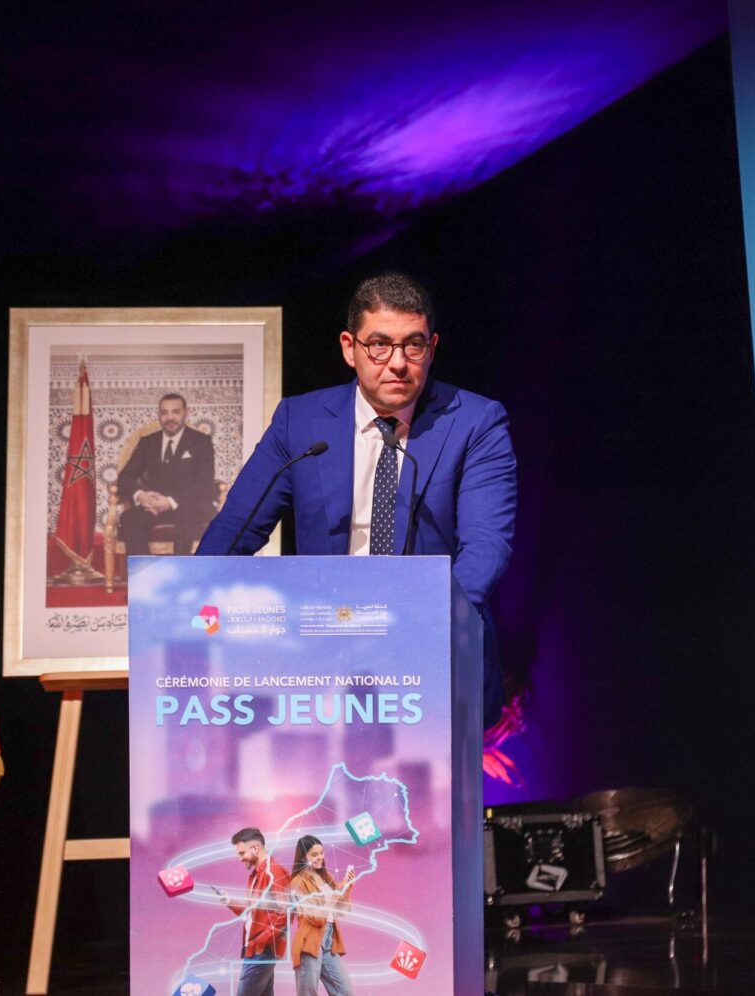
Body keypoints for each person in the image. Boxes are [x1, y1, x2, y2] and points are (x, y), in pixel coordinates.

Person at [196, 272, 518, 726]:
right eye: (380, 345)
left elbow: (486, 547)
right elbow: (237, 529)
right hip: (321, 653)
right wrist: (190, 599)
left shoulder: (476, 423)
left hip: (434, 652)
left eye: (414, 345)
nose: (398, 363)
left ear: (432, 347)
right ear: (350, 348)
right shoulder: (300, 421)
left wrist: (425, 627)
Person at [116, 393, 218, 555]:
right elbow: (125, 476)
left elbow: (203, 483)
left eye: (175, 412)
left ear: (186, 413)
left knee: (187, 518)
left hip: (189, 505)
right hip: (154, 506)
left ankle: (179, 571)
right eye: (164, 413)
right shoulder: (148, 442)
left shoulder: (201, 441)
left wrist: (170, 502)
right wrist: (141, 496)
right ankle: (145, 569)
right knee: (130, 518)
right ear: (159, 415)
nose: (170, 418)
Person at [214, 827, 290, 996]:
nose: (240, 858)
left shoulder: (275, 872)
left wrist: (260, 942)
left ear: (255, 848)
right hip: (257, 950)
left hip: (261, 952)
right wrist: (229, 901)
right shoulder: (256, 875)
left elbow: (285, 914)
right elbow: (252, 913)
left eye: (242, 853)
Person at [289, 835, 358, 995]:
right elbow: (315, 917)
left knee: (346, 991)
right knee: (308, 992)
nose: (320, 857)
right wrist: (334, 896)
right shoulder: (297, 883)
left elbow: (341, 911)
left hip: (329, 941)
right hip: (309, 943)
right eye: (314, 854)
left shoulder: (325, 877)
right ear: (303, 857)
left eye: (321, 853)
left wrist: (346, 889)